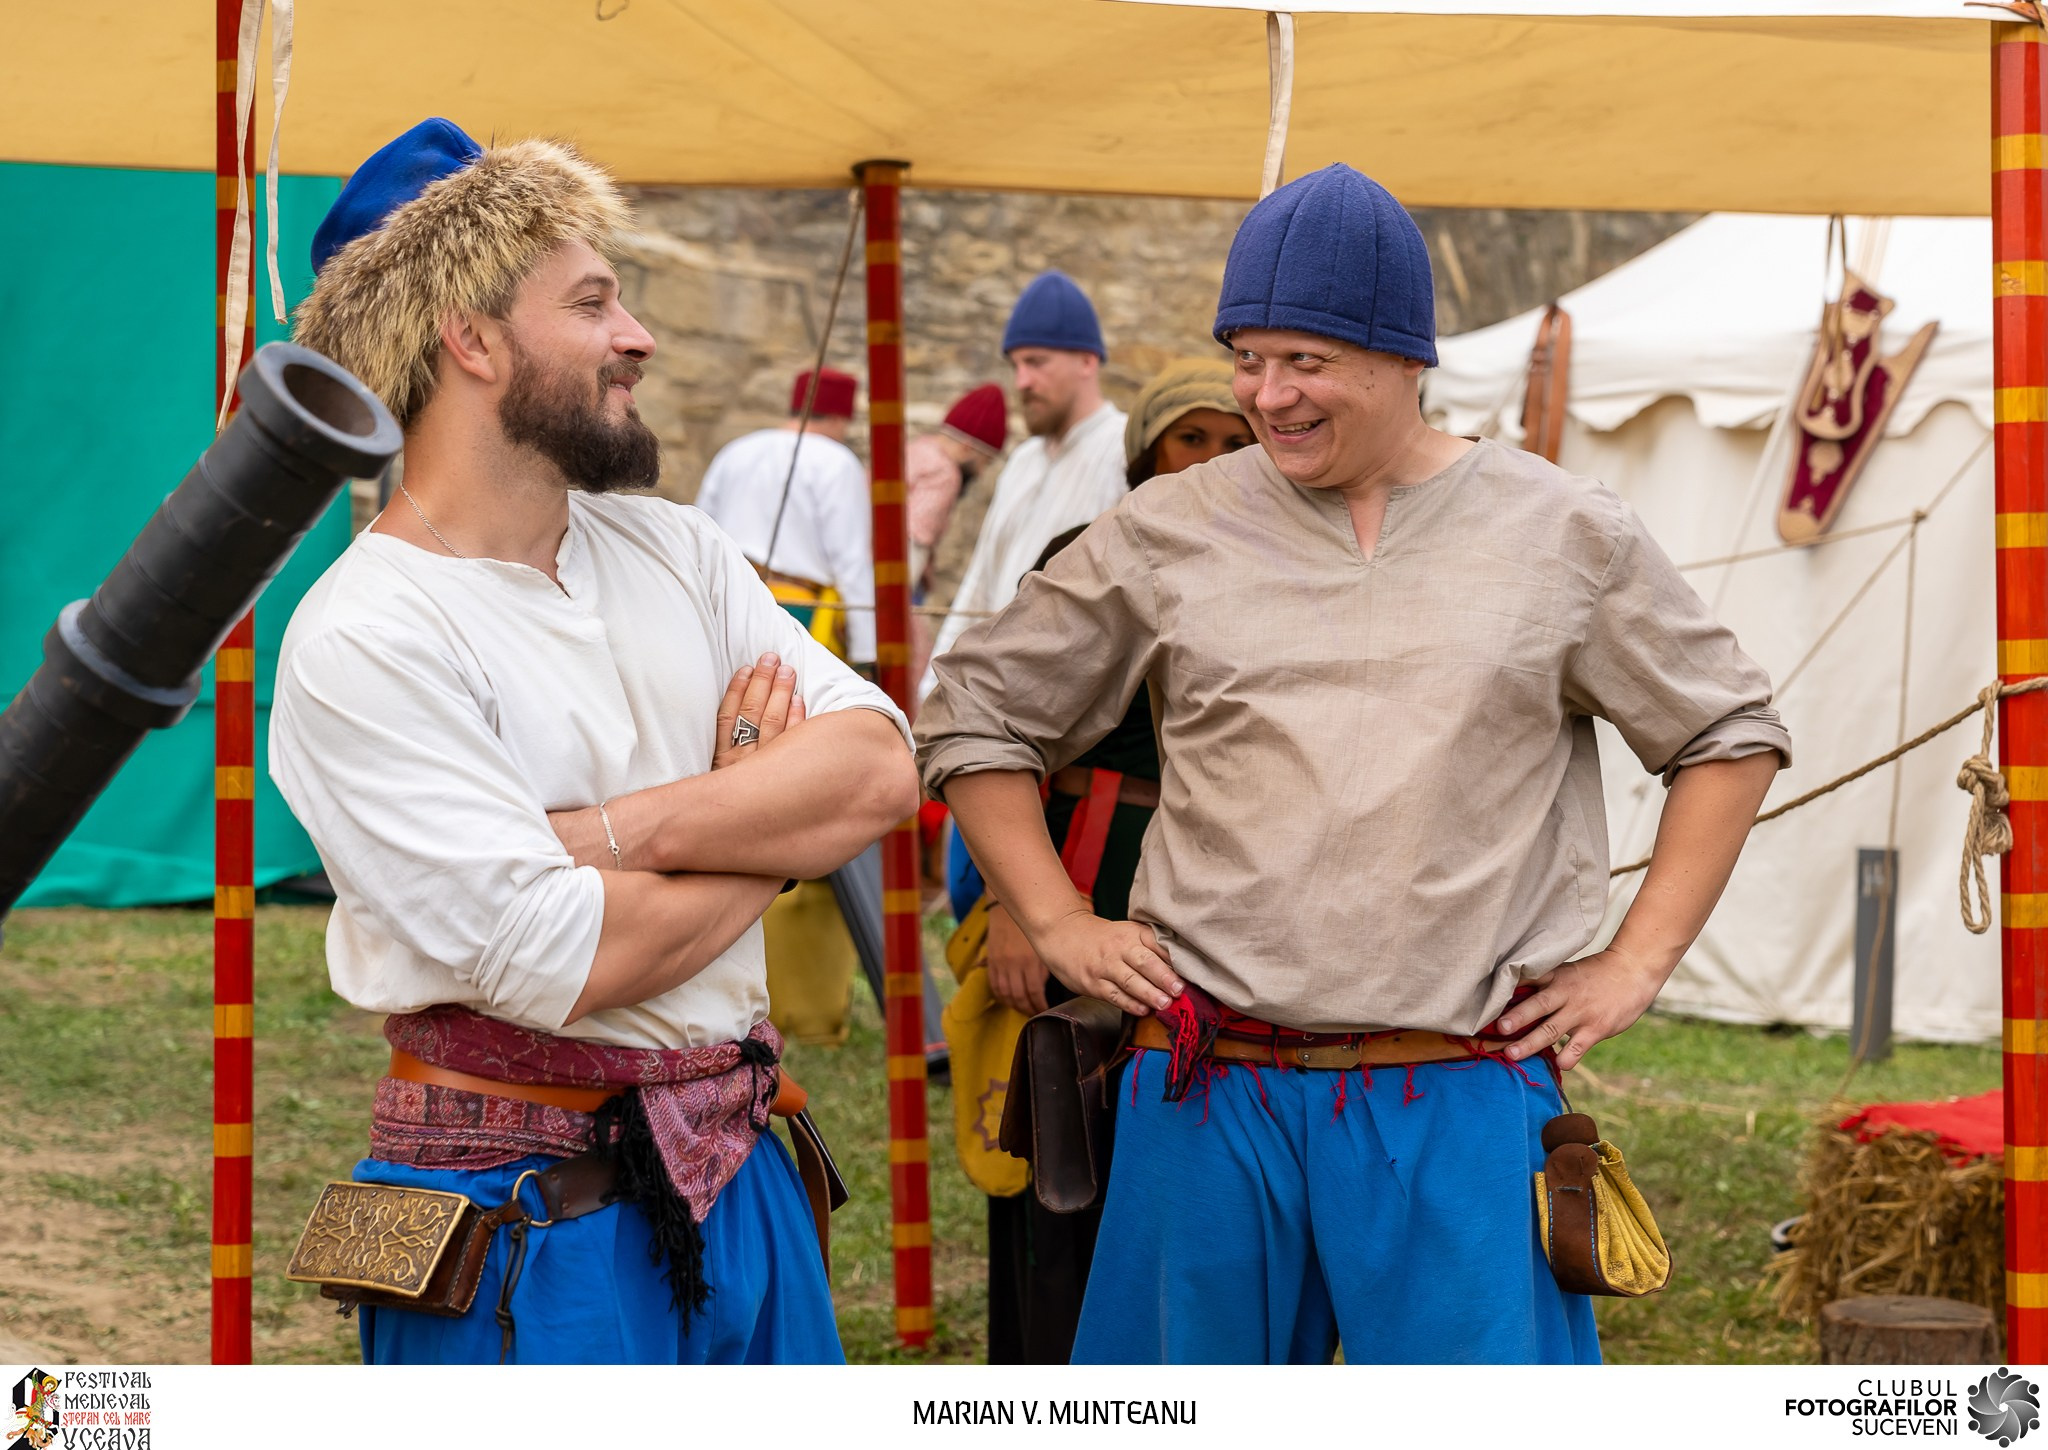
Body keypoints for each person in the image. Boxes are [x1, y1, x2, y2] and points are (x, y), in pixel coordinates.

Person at [917, 164, 1790, 1365]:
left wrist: (1635, 961)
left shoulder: (1560, 533)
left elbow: (1724, 733)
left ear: (1401, 358)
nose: (1265, 395)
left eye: (1304, 362)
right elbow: (974, 713)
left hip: (1459, 1090)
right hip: (1205, 1088)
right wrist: (1058, 916)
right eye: (1245, 357)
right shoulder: (1169, 526)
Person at [273, 118, 920, 1365]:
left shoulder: (670, 546)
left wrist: (621, 834)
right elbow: (559, 957)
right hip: (528, 1227)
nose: (639, 337)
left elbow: (879, 765)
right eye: (592, 302)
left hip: (743, 1185)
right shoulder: (367, 632)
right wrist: (762, 814)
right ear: (468, 336)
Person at [968, 357, 1249, 1365]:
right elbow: (996, 733)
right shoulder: (1083, 551)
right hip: (1081, 865)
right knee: (1061, 1130)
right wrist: (1015, 905)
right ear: (1145, 453)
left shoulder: (1276, 561)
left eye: (1233, 442)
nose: (1212, 460)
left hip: (1214, 877)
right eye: (1191, 439)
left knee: (1180, 1133)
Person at [917, 270, 1128, 700]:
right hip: (990, 694)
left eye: (1036, 362)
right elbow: (980, 581)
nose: (1021, 382)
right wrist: (932, 689)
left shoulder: (1122, 448)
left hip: (1065, 704)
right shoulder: (1022, 460)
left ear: (1087, 361)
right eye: (1016, 365)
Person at [694, 367, 875, 666]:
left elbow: (700, 527)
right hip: (794, 610)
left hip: (724, 599)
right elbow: (850, 560)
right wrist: (867, 653)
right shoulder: (837, 461)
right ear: (836, 418)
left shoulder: (737, 449)